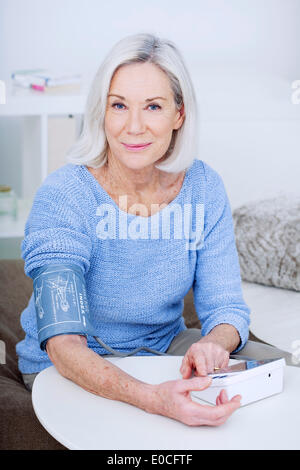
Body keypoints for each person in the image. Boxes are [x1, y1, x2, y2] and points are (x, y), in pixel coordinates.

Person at [17, 33, 292, 427]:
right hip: (69, 363)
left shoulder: (204, 187)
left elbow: (227, 308)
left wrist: (212, 345)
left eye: (153, 106)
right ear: (102, 112)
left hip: (163, 350)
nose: (134, 126)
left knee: (284, 373)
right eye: (119, 105)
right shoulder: (65, 195)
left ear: (179, 115)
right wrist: (152, 399)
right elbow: (63, 343)